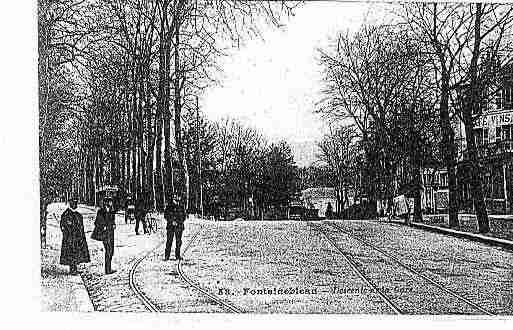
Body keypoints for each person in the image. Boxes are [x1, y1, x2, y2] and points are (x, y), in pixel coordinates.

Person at [60, 197, 90, 275]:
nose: (75, 204)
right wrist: (67, 234)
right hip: (70, 238)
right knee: (71, 253)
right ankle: (72, 269)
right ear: (70, 204)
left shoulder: (78, 215)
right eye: (73, 203)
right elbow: (63, 226)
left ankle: (75, 268)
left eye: (76, 203)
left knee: (77, 253)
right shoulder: (66, 214)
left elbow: (81, 227)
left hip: (78, 238)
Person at [93, 197, 117, 275]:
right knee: (108, 250)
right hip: (104, 234)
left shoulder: (112, 211)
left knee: (111, 250)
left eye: (111, 202)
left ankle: (109, 268)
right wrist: (103, 226)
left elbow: (113, 220)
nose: (111, 203)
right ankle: (107, 269)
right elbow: (96, 222)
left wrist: (113, 224)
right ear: (106, 203)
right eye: (110, 202)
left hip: (111, 233)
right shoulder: (101, 211)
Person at [164, 196, 186, 261]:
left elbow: (184, 216)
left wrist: (178, 222)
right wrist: (171, 221)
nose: (176, 200)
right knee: (169, 241)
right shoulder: (169, 206)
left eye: (178, 198)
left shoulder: (181, 206)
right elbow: (166, 215)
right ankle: (167, 256)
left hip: (179, 227)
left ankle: (177, 255)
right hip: (170, 227)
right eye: (175, 198)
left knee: (178, 242)